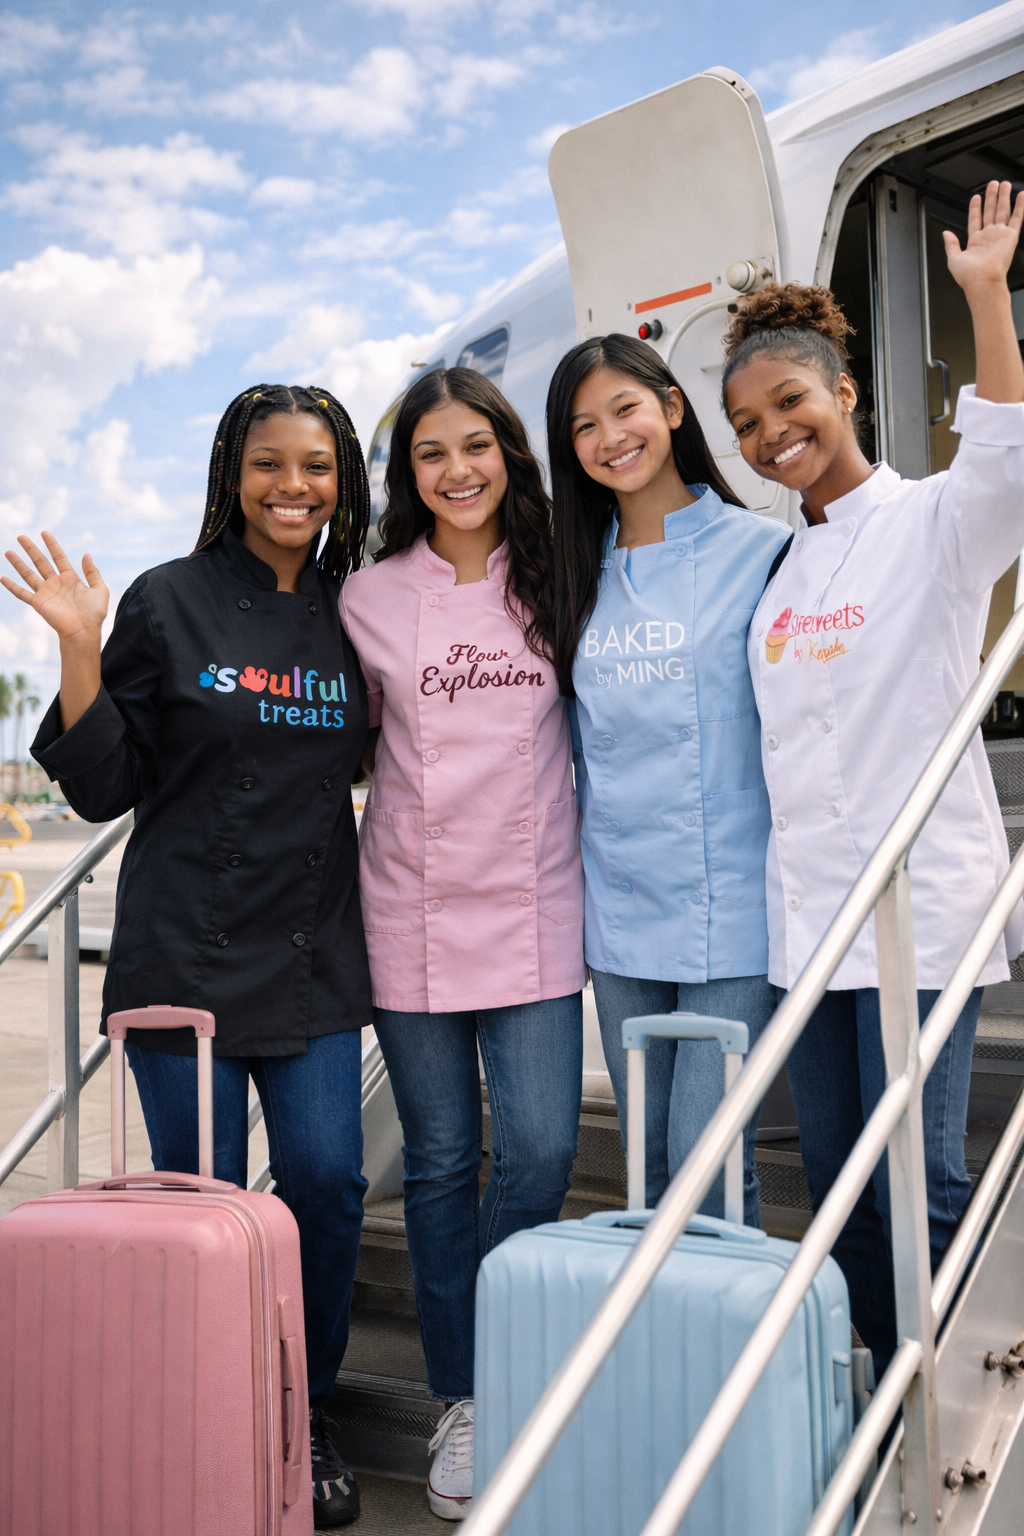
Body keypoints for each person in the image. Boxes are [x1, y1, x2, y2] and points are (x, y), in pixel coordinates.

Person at [3, 383, 374, 1530]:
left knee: (326, 1184)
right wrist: (77, 643)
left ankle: (301, 1408)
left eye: (315, 466)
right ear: (232, 472)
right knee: (203, 1202)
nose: (292, 488)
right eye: (269, 464)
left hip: (313, 950)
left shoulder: (353, 610)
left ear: (342, 479)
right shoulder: (168, 602)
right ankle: (215, 1404)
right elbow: (110, 780)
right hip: (185, 957)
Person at [724, 181, 1024, 1376]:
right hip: (809, 922)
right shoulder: (780, 573)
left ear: (843, 394)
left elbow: (1004, 451)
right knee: (840, 1176)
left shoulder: (935, 523)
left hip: (917, 914)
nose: (768, 436)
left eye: (787, 403)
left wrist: (986, 296)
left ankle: (953, 1386)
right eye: (743, 422)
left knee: (922, 1170)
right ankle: (876, 1375)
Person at [339, 365, 585, 1521]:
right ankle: (464, 1397)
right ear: (408, 476)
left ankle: (514, 1351)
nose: (457, 471)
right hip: (411, 909)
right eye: (431, 454)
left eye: (474, 445)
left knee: (535, 1151)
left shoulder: (561, 576)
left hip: (534, 903)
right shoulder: (370, 598)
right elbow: (340, 746)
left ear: (509, 452)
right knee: (438, 1164)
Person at [546, 333, 791, 1223]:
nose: (610, 438)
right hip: (620, 914)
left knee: (707, 1156)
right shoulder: (574, 574)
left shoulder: (763, 550)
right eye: (583, 426)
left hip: (735, 906)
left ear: (672, 408)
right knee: (647, 1166)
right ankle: (674, 1354)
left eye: (625, 410)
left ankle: (745, 1358)